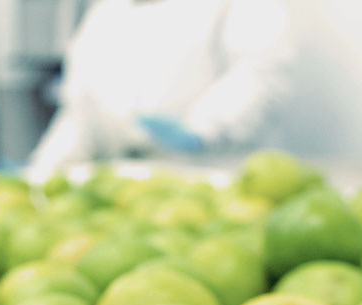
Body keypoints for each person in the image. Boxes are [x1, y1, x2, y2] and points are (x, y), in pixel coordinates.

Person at [26, 0, 293, 179]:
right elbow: (83, 106)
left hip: (211, 173)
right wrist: (42, 170)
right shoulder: (108, 9)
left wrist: (204, 128)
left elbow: (260, 71)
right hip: (124, 187)